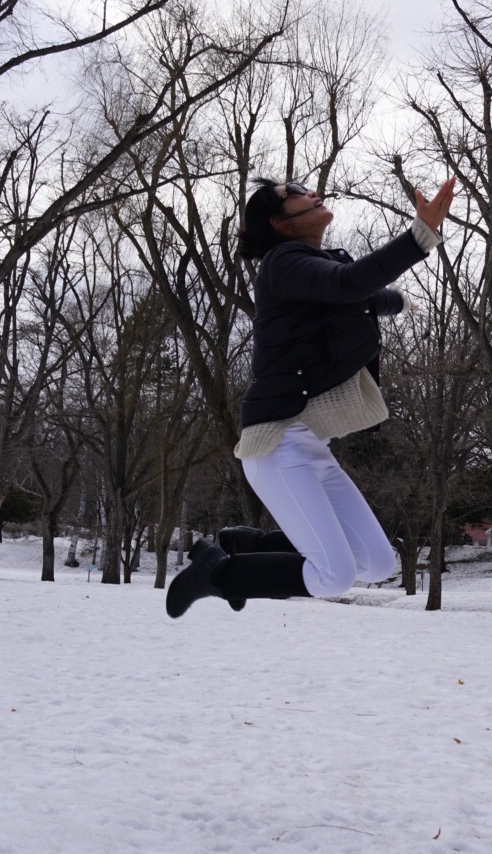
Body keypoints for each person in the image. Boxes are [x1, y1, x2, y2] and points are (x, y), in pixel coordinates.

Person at [167, 176, 456, 617]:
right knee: (333, 576)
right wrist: (420, 237)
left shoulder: (306, 267)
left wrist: (396, 302)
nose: (309, 191)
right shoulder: (283, 263)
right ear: (279, 222)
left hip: (310, 444)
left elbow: (355, 296)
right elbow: (347, 286)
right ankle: (218, 574)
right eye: (294, 193)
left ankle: (252, 544)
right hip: (277, 446)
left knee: (377, 563)